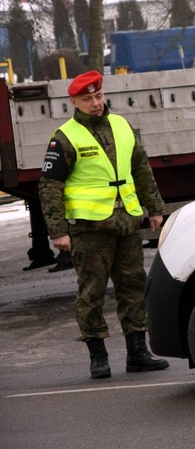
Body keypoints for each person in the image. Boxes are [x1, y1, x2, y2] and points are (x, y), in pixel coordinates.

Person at [38, 70, 170, 379]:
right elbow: (49, 186)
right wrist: (58, 230)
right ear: (74, 102)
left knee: (133, 287)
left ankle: (137, 353)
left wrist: (155, 209)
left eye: (98, 96)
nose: (96, 103)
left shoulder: (122, 125)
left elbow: (141, 168)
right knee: (92, 292)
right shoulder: (64, 137)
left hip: (126, 224)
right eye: (88, 99)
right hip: (90, 229)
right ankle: (98, 356)